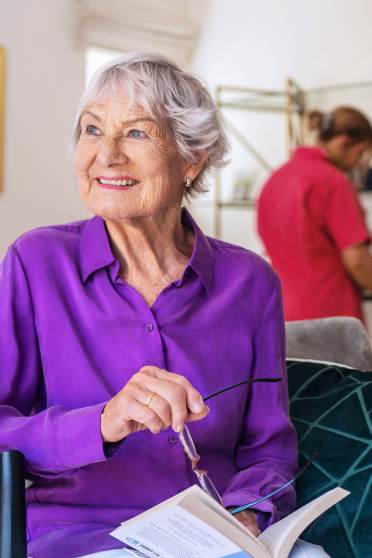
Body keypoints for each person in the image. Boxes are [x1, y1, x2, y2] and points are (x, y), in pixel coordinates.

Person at [0, 53, 328, 558]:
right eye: (92, 130)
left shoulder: (252, 283)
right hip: (83, 537)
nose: (105, 155)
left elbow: (269, 446)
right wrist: (101, 423)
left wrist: (247, 513)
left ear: (191, 159)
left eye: (136, 133)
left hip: (215, 535)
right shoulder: (36, 262)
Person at [257, 107, 372, 322]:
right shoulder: (334, 182)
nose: (359, 163)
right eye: (361, 153)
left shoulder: (275, 179)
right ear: (344, 142)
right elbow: (357, 262)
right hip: (332, 317)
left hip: (282, 314)